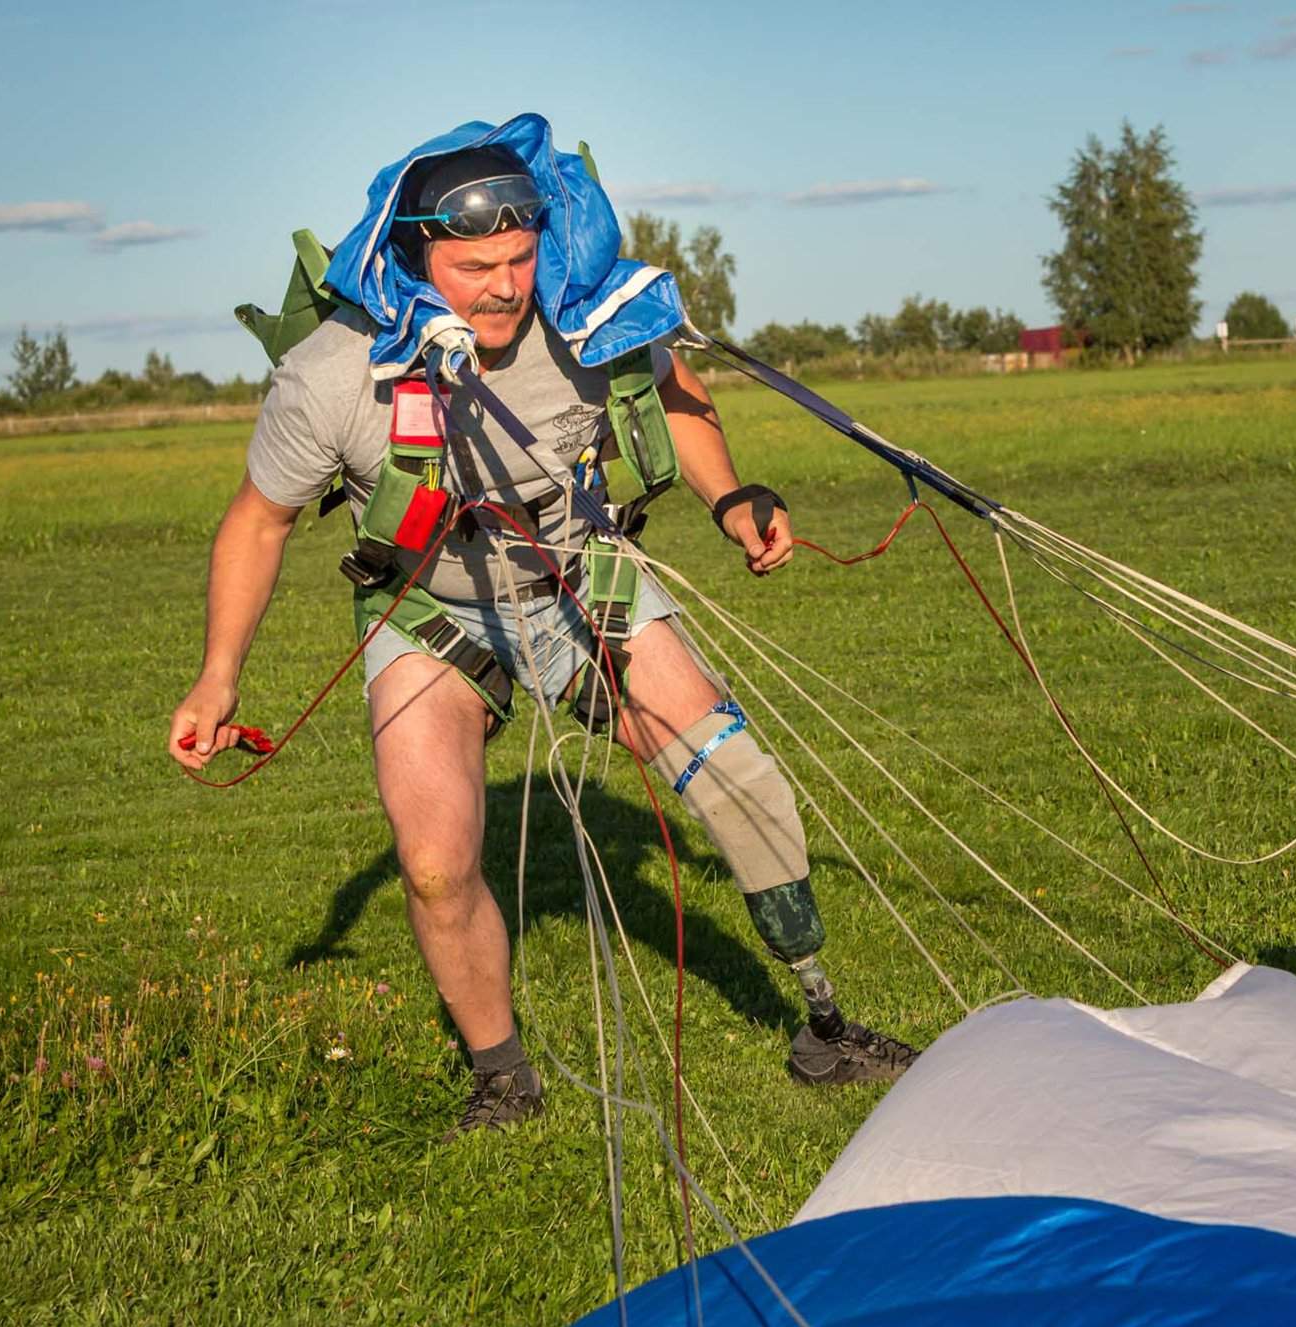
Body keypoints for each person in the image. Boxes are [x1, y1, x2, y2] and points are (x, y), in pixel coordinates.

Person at [166, 135, 917, 1135]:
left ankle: (824, 1026)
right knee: (433, 861)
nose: (504, 285)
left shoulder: (583, 316)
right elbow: (257, 521)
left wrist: (731, 498)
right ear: (412, 255)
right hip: (426, 611)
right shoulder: (334, 374)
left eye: (519, 257)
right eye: (475, 267)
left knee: (743, 779)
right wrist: (219, 677)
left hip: (580, 579)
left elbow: (675, 394)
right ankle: (501, 1077)